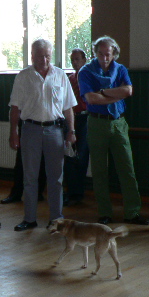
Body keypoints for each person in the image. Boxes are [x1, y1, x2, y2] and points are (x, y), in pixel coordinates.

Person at [78, 36, 149, 226]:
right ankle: (104, 213)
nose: (104, 58)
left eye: (107, 54)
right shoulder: (86, 72)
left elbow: (128, 91)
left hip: (118, 124)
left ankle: (132, 212)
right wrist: (114, 94)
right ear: (95, 52)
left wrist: (103, 92)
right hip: (96, 124)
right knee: (100, 171)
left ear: (114, 54)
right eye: (100, 54)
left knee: (127, 168)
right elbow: (91, 99)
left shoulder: (121, 69)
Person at [8, 38, 76, 231]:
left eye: (47, 56)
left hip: (55, 131)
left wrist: (71, 131)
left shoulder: (60, 76)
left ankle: (57, 219)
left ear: (51, 55)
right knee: (30, 177)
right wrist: (13, 132)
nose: (44, 60)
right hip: (30, 130)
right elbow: (15, 108)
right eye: (39, 56)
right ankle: (29, 219)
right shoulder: (23, 77)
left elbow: (68, 108)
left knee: (56, 178)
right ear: (32, 56)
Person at [64, 48, 91, 207]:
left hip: (86, 117)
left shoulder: (89, 77)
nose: (75, 62)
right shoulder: (70, 79)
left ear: (84, 60)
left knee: (81, 155)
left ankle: (78, 193)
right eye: (72, 59)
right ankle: (71, 192)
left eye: (77, 59)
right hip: (72, 118)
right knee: (69, 155)